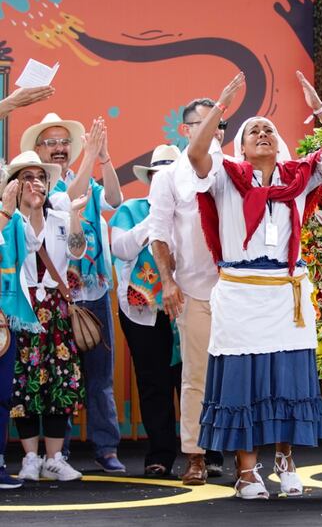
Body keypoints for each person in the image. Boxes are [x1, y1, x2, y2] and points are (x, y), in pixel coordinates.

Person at [183, 71, 322, 499]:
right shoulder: (224, 176)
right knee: (245, 380)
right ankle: (246, 471)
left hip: (285, 294)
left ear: (280, 144)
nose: (262, 132)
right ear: (239, 147)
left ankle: (285, 461)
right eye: (253, 130)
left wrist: (319, 108)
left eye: (269, 130)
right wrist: (221, 105)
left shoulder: (299, 177)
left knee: (285, 379)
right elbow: (196, 150)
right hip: (240, 292)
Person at [20, 113, 125, 472]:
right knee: (52, 375)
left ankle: (106, 446)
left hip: (92, 291)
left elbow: (114, 197)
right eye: (51, 142)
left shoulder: (89, 183)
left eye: (64, 142)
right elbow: (66, 198)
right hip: (50, 298)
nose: (60, 148)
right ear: (37, 149)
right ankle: (55, 452)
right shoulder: (35, 185)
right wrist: (90, 156)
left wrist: (104, 157)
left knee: (99, 377)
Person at [148, 101, 226, 484]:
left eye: (220, 123)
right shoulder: (168, 177)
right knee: (196, 377)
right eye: (205, 122)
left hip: (240, 289)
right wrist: (167, 281)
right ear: (185, 131)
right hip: (194, 290)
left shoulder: (235, 169)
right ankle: (195, 455)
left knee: (243, 376)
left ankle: (248, 461)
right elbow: (158, 235)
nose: (215, 129)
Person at [6, 151, 88, 481]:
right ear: (14, 185)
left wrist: (76, 216)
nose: (35, 183)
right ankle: (29, 457)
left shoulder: (59, 218)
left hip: (55, 308)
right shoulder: (8, 221)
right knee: (22, 382)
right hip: (22, 308)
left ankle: (54, 457)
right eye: (27, 177)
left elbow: (78, 249)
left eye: (41, 178)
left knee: (61, 379)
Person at [110, 145, 182, 477]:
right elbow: (120, 248)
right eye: (158, 176)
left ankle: (204, 453)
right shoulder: (131, 209)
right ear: (150, 179)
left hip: (187, 305)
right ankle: (161, 454)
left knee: (193, 379)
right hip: (142, 311)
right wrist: (154, 221)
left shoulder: (192, 209)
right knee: (153, 383)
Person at [0, 83, 54, 490]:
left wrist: (30, 208)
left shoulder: (18, 216)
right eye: (24, 178)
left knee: (4, 389)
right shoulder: (4, 209)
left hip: (7, 314)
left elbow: (35, 246)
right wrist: (11, 105)